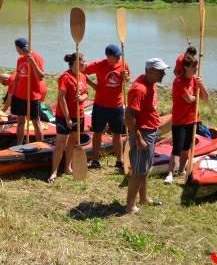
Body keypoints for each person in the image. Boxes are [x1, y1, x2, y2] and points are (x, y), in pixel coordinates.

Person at [124, 58, 169, 215]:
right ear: (150, 71)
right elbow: (129, 116)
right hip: (143, 133)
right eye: (160, 71)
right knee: (138, 171)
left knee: (145, 168)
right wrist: (138, 139)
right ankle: (130, 206)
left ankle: (144, 198)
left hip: (151, 131)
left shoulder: (151, 83)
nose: (164, 74)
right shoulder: (140, 89)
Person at [84, 44, 130, 169]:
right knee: (97, 132)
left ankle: (119, 161)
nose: (119, 59)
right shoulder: (98, 64)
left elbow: (127, 79)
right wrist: (93, 85)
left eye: (119, 56)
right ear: (108, 56)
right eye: (116, 57)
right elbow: (82, 71)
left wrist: (126, 77)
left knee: (117, 134)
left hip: (117, 105)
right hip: (100, 105)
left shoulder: (123, 64)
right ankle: (95, 161)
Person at [165, 54, 209, 184]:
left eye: (196, 66)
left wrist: (202, 85)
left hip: (192, 119)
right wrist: (197, 96)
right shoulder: (179, 81)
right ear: (185, 67)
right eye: (193, 66)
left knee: (186, 148)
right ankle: (170, 174)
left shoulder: (196, 80)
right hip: (180, 120)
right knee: (177, 149)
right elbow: (188, 99)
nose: (196, 68)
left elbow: (206, 98)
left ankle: (181, 170)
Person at [47, 53, 89, 183]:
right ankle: (54, 172)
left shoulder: (82, 76)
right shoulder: (65, 77)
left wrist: (82, 97)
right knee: (60, 144)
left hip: (79, 114)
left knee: (72, 142)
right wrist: (67, 118)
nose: (86, 64)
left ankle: (68, 167)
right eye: (84, 61)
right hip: (64, 115)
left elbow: (86, 93)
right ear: (76, 63)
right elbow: (62, 98)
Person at [9, 38, 46, 145]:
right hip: (19, 95)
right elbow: (17, 77)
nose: (25, 52)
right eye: (24, 50)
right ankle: (19, 145)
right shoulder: (20, 59)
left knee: (36, 122)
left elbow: (40, 77)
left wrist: (33, 63)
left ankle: (41, 145)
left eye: (27, 49)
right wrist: (13, 94)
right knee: (20, 122)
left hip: (33, 96)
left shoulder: (37, 57)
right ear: (18, 48)